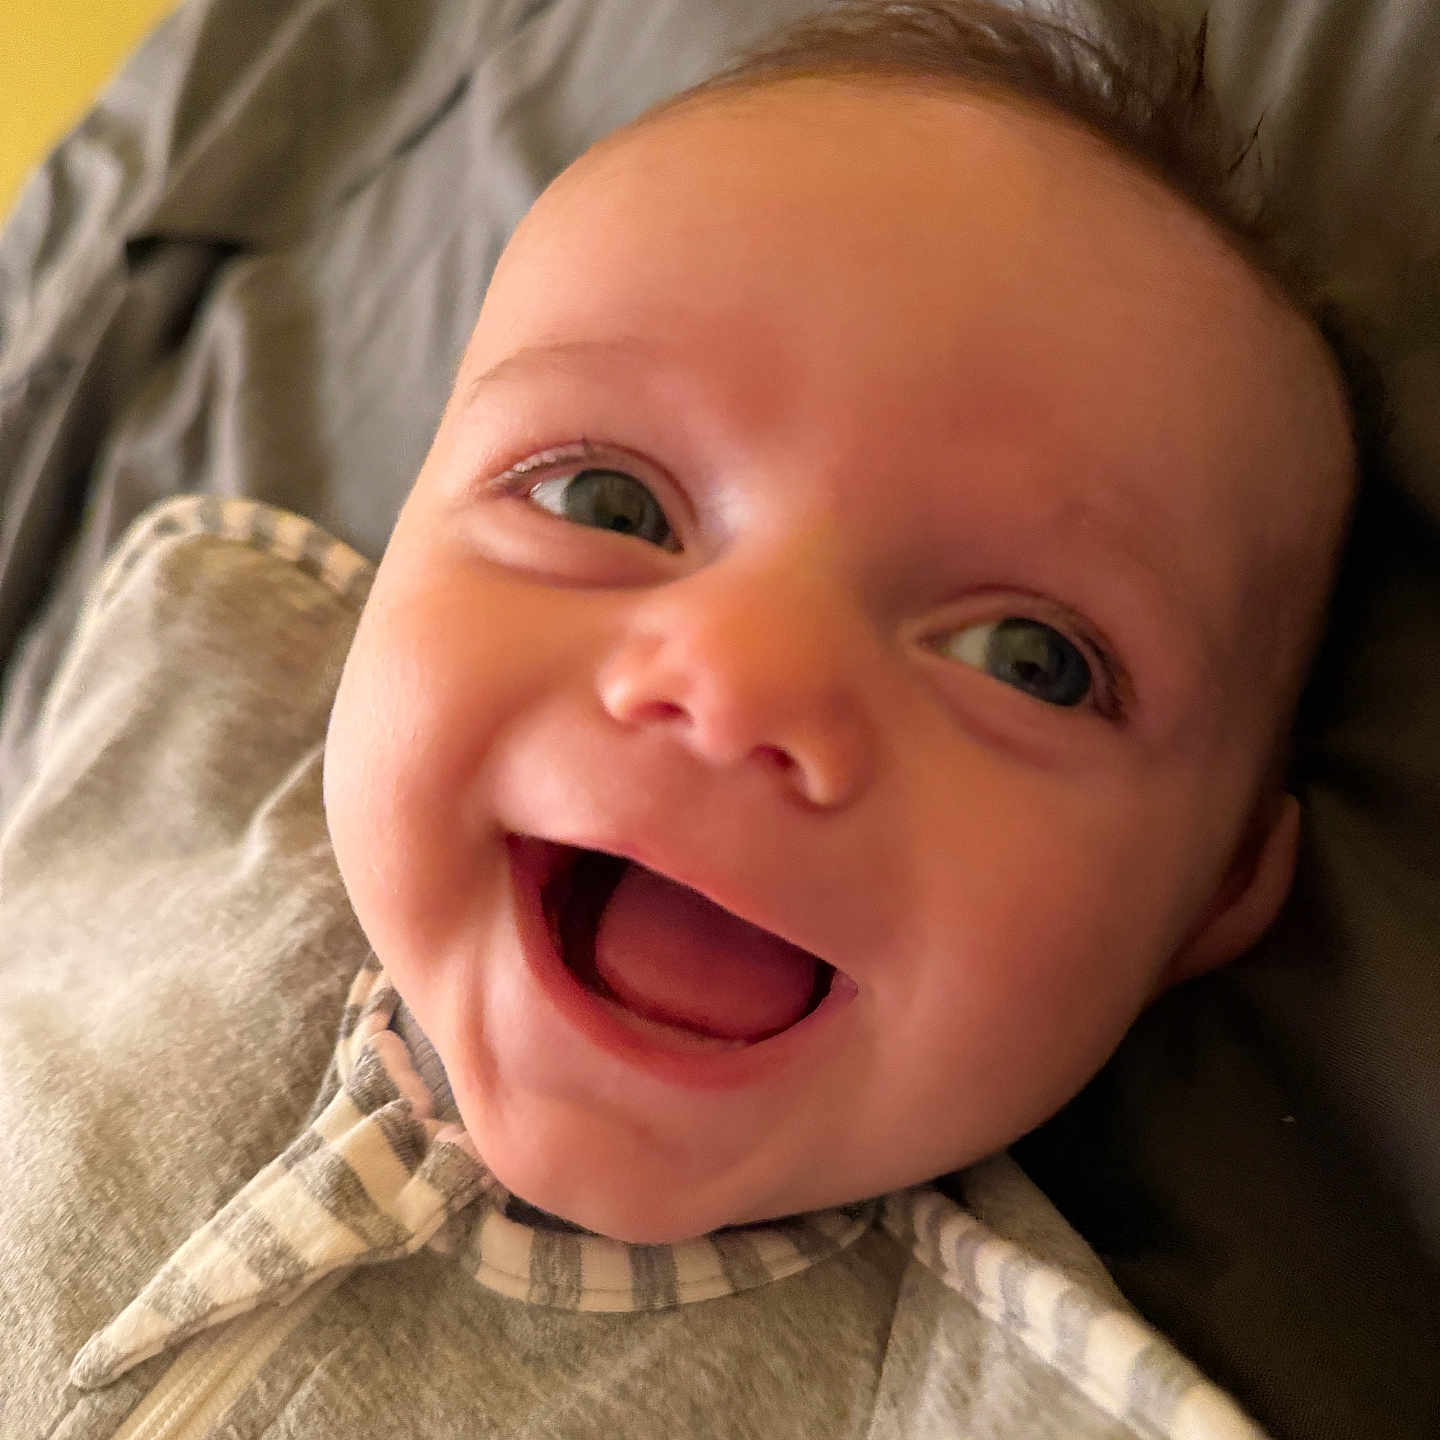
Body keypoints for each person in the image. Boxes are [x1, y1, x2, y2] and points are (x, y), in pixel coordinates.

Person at [2, 2, 1356, 1436]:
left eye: (1029, 659)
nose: (740, 679)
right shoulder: (188, 723)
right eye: (608, 503)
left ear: (1214, 896)